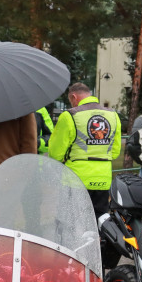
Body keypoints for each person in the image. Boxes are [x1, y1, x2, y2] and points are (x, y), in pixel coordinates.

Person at [49, 82, 122, 220]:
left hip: (75, 179)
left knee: (69, 222)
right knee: (99, 221)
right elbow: (115, 151)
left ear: (74, 97)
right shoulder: (113, 116)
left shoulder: (70, 115)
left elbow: (55, 153)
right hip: (103, 178)